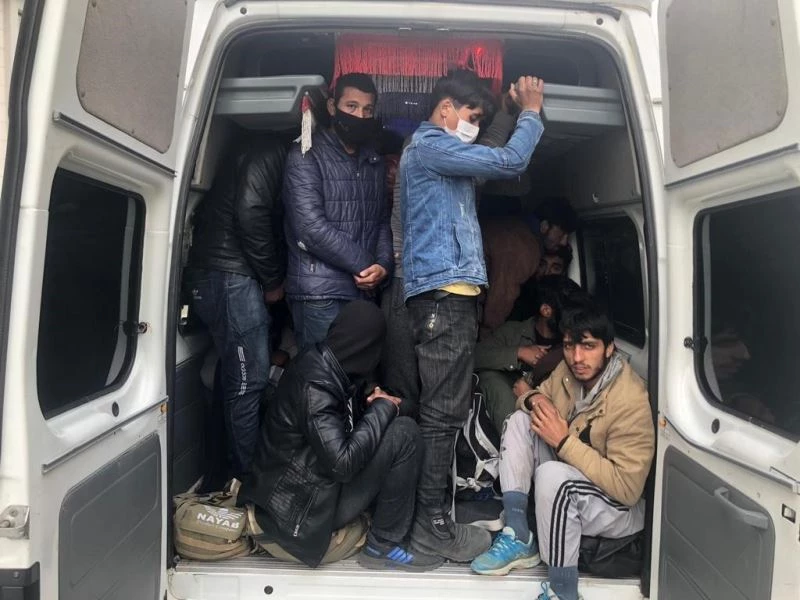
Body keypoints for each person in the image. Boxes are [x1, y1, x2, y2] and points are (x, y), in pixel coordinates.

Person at [400, 70, 546, 562]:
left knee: (442, 415)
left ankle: (434, 517)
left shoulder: (443, 156)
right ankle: (431, 528)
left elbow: (485, 161)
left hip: (448, 297)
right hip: (444, 297)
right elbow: (508, 160)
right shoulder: (430, 146)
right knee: (441, 418)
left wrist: (504, 114)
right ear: (445, 109)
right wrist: (530, 112)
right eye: (471, 117)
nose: (474, 128)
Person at [239, 300, 442, 571]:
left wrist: (385, 403)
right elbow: (342, 465)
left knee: (398, 425)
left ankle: (384, 536)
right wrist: (382, 409)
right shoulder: (316, 385)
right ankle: (383, 545)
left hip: (305, 491)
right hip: (298, 511)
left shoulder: (332, 366)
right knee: (404, 435)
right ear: (367, 347)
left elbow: (388, 410)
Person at [471, 305, 654, 600]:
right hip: (575, 476)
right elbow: (533, 396)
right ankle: (519, 534)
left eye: (588, 346)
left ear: (609, 348)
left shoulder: (629, 399)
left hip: (617, 508)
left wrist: (564, 442)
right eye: (569, 346)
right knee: (520, 422)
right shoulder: (568, 372)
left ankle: (563, 591)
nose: (577, 358)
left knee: (553, 475)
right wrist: (535, 402)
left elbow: (627, 489)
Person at [185, 134, 289, 479]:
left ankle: (225, 468)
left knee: (235, 378)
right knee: (249, 383)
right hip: (231, 277)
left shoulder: (246, 151)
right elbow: (251, 212)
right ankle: (250, 479)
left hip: (216, 273)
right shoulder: (271, 150)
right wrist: (272, 281)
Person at [283, 73, 392, 349]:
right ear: (332, 107)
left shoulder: (373, 160)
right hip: (320, 294)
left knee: (357, 373)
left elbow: (381, 220)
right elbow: (309, 227)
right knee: (321, 373)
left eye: (367, 109)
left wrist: (382, 265)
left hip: (363, 293)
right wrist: (365, 264)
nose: (360, 116)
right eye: (351, 106)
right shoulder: (306, 153)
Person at [474, 276, 585, 433]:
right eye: (569, 311)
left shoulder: (575, 343)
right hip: (513, 407)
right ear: (546, 310)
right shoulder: (513, 332)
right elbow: (473, 357)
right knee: (490, 377)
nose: (575, 316)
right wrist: (519, 352)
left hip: (553, 416)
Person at [481, 198, 579, 331]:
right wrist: (489, 334)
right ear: (544, 226)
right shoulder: (525, 247)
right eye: (562, 234)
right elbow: (500, 298)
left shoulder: (514, 227)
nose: (564, 242)